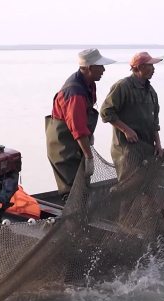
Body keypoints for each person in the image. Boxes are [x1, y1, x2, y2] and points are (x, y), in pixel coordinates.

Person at [45, 48, 116, 198]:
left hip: (75, 142)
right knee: (73, 190)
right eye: (100, 66)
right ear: (89, 68)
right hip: (64, 146)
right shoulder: (75, 92)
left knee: (83, 184)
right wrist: (89, 156)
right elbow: (77, 128)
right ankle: (72, 216)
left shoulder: (89, 84)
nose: (103, 70)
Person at [100, 52, 164, 181]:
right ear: (139, 67)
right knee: (129, 186)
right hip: (127, 150)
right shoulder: (123, 86)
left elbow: (154, 121)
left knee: (148, 185)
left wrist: (158, 143)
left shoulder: (151, 91)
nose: (153, 69)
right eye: (150, 65)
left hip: (148, 147)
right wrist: (126, 130)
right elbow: (106, 112)